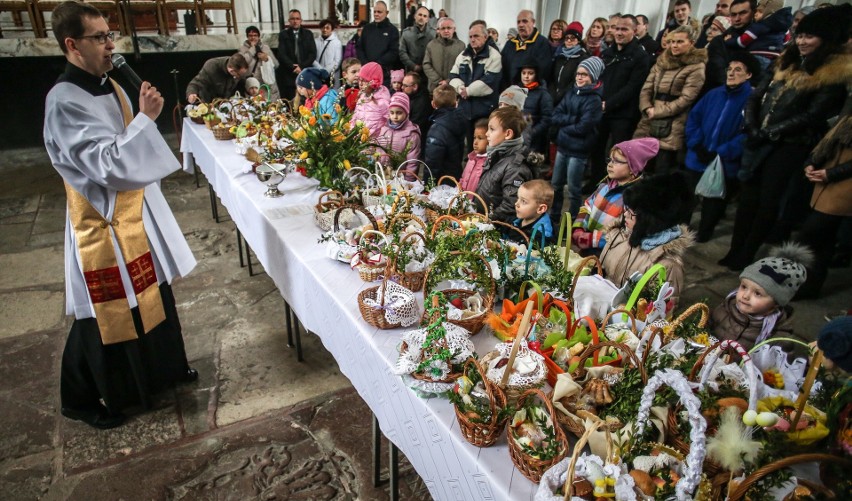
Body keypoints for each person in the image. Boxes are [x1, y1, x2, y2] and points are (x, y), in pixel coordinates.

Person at [44, 0, 197, 429]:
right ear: (72, 44)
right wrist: (146, 119)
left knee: (153, 291)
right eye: (100, 37)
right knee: (106, 308)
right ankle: (94, 397)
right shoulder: (63, 101)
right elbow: (104, 164)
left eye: (111, 35)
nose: (111, 45)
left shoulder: (107, 83)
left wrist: (142, 120)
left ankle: (162, 374)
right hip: (100, 221)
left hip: (131, 214)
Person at [720, 4, 851, 271]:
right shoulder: (787, 58)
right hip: (761, 137)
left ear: (826, 39)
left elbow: (813, 114)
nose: (802, 41)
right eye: (800, 35)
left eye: (809, 36)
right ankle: (735, 249)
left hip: (790, 145)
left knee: (768, 201)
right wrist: (752, 125)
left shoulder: (833, 71)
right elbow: (757, 95)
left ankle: (747, 252)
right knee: (748, 197)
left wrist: (769, 132)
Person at [684, 52, 758, 242]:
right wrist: (696, 143)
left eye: (738, 70)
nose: (731, 73)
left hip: (723, 160)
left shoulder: (752, 99)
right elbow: (694, 118)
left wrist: (721, 151)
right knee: (687, 196)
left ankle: (704, 232)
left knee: (714, 201)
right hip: (698, 154)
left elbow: (748, 133)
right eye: (730, 69)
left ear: (749, 75)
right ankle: (681, 228)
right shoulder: (714, 94)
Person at [599, 172, 694, 307]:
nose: (625, 214)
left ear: (651, 220)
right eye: (627, 208)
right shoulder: (619, 234)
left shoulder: (667, 266)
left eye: (633, 212)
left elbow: (659, 315)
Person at [587, 15, 651, 191]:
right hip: (603, 109)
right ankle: (596, 184)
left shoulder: (640, 56)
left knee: (620, 154)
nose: (619, 33)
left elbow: (633, 87)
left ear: (634, 31)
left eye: (624, 29)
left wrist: (608, 103)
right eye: (617, 28)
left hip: (624, 114)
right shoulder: (607, 53)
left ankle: (615, 188)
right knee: (597, 148)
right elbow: (599, 79)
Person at [633, 25, 707, 175]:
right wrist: (647, 108)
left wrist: (658, 112)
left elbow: (686, 99)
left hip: (673, 125)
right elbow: (646, 88)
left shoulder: (696, 66)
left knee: (661, 170)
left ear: (691, 43)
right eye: (672, 41)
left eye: (680, 42)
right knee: (640, 168)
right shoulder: (662, 61)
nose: (674, 45)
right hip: (649, 119)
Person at [711, 244, 812, 352]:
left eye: (758, 294)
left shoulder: (777, 336)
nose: (745, 296)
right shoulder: (726, 308)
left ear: (777, 303)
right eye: (744, 286)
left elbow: (774, 365)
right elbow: (708, 325)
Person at [796, 111, 852, 299]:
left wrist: (832, 173)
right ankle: (809, 288)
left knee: (809, 236)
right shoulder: (847, 114)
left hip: (843, 187)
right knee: (824, 243)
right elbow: (826, 142)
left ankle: (797, 285)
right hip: (825, 184)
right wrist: (811, 162)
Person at [573, 138, 659, 255]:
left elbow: (624, 234)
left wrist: (588, 239)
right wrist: (579, 228)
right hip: (587, 248)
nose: (610, 164)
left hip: (608, 255)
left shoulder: (633, 200)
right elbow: (587, 206)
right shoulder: (603, 187)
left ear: (632, 169)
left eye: (617, 161)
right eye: (610, 159)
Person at [550, 56, 604, 219]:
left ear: (593, 77)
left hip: (578, 151)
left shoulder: (594, 100)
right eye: (578, 74)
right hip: (563, 147)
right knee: (556, 185)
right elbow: (555, 115)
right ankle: (554, 215)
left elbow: (584, 127)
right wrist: (572, 120)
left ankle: (574, 220)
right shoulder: (571, 92)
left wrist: (564, 125)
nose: (580, 77)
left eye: (585, 74)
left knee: (574, 189)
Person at [475, 107, 535, 223]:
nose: (487, 134)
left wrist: (486, 221)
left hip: (496, 229)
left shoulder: (515, 168)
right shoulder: (497, 155)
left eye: (492, 129)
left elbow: (510, 206)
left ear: (508, 134)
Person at [448, 22, 502, 151]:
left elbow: (490, 82)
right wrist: (461, 89)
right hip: (464, 109)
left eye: (476, 36)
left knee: (483, 148)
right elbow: (453, 75)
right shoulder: (463, 55)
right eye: (470, 36)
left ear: (485, 37)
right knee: (466, 146)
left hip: (484, 110)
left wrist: (468, 91)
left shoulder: (494, 56)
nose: (472, 39)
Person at [702, 0, 755, 96]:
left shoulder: (760, 41)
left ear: (753, 13)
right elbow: (718, 74)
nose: (737, 18)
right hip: (718, 95)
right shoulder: (719, 41)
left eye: (743, 13)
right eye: (733, 14)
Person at [724, 0, 792, 70]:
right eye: (756, 11)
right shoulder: (784, 27)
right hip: (775, 58)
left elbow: (742, 41)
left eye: (760, 11)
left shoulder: (759, 26)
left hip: (757, 56)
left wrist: (729, 41)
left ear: (768, 12)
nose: (755, 14)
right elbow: (786, 40)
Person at [501, 10, 553, 90]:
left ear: (533, 22)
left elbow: (543, 73)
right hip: (508, 93)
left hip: (530, 93)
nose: (521, 25)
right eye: (518, 22)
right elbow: (502, 69)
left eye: (525, 21)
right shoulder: (510, 44)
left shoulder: (542, 43)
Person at [424, 84, 466, 180]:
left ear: (433, 104)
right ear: (456, 103)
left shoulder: (437, 129)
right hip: (455, 175)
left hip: (441, 181)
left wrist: (427, 186)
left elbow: (432, 162)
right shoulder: (460, 120)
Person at [357, 1, 400, 88]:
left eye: (379, 12)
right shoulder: (367, 28)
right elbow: (360, 48)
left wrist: (377, 65)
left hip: (384, 74)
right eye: (375, 11)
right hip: (367, 73)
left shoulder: (392, 30)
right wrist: (367, 64)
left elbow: (393, 52)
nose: (376, 14)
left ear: (386, 13)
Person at [376, 92, 421, 175]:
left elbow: (413, 161)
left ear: (406, 112)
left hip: (401, 177)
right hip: (383, 175)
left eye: (399, 113)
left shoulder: (411, 134)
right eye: (392, 112)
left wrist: (409, 179)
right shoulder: (384, 129)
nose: (395, 116)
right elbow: (378, 150)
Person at [277, 9, 317, 101]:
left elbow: (312, 54)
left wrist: (301, 67)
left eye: (297, 19)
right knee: (291, 103)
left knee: (306, 103)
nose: (295, 21)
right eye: (293, 19)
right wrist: (293, 67)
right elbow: (281, 54)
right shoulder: (283, 35)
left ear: (301, 20)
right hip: (289, 74)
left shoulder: (308, 34)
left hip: (305, 73)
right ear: (289, 20)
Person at [549, 21, 589, 108]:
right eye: (567, 38)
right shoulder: (560, 56)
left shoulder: (582, 58)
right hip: (553, 97)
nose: (569, 41)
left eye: (573, 38)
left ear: (578, 40)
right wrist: (552, 94)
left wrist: (560, 95)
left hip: (568, 100)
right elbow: (552, 78)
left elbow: (575, 81)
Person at [515, 64, 552, 155]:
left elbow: (547, 119)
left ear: (536, 75)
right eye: (523, 73)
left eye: (530, 73)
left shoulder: (543, 95)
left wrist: (532, 132)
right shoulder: (515, 90)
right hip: (516, 137)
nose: (526, 76)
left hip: (534, 141)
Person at [422, 16, 465, 92]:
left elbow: (463, 66)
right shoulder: (431, 45)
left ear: (454, 29)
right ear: (438, 30)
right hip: (435, 88)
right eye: (443, 28)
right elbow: (426, 64)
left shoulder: (461, 46)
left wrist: (448, 81)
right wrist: (439, 80)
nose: (446, 31)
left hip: (454, 88)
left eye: (449, 28)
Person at [239, 25, 280, 100]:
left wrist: (267, 59)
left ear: (259, 37)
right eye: (250, 36)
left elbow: (276, 65)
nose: (253, 38)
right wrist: (253, 49)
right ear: (247, 37)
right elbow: (242, 63)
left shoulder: (265, 48)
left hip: (266, 85)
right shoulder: (243, 49)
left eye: (255, 35)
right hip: (252, 86)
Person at [351, 62, 391, 138]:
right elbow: (355, 117)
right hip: (359, 142)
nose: (360, 83)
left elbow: (390, 124)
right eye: (359, 79)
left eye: (364, 80)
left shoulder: (382, 102)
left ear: (374, 82)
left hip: (375, 144)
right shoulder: (361, 97)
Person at [399, 6, 435, 75]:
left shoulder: (433, 34)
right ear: (415, 16)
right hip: (411, 71)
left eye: (425, 16)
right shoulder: (406, 33)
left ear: (427, 19)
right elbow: (402, 52)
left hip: (428, 72)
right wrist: (413, 66)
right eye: (420, 15)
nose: (422, 18)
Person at [459, 118, 489, 192]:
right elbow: (463, 178)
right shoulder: (471, 158)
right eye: (474, 138)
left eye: (480, 138)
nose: (475, 142)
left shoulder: (488, 163)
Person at [401, 71, 432, 141]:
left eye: (405, 86)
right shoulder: (410, 96)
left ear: (415, 87)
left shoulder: (422, 103)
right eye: (402, 84)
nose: (402, 87)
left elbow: (415, 125)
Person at [314, 19, 342, 88]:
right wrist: (320, 70)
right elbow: (312, 57)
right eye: (323, 27)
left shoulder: (337, 42)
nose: (325, 30)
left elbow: (337, 61)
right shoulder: (315, 41)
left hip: (332, 74)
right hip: (318, 73)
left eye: (327, 28)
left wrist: (326, 71)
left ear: (332, 29)